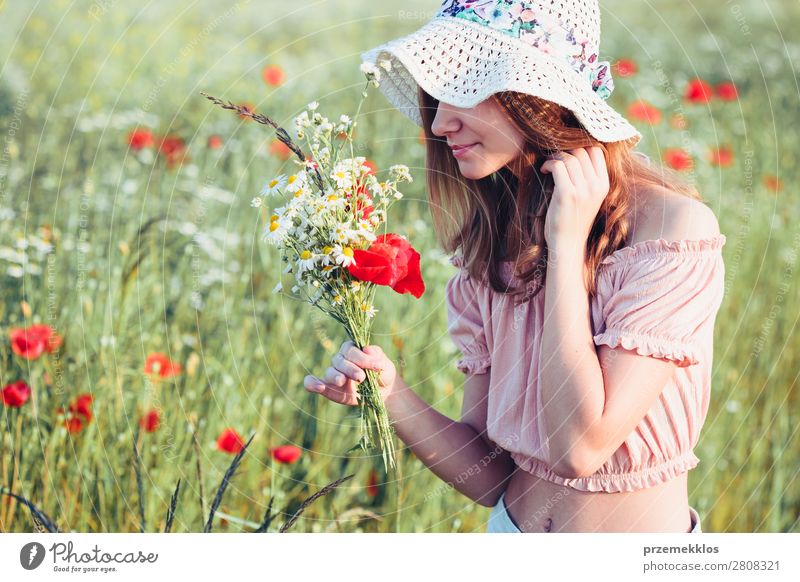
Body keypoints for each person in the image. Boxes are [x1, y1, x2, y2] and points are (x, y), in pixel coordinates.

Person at [304, 0, 726, 533]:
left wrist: (567, 245)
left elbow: (579, 448)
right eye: (436, 96)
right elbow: (489, 476)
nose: (439, 121)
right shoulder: (495, 245)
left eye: (465, 91)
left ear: (538, 99)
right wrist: (392, 393)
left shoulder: (671, 230)